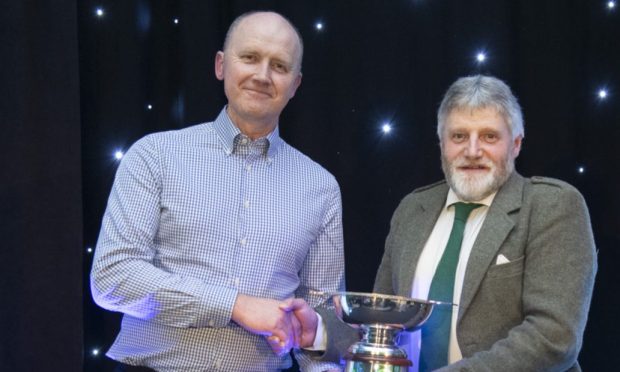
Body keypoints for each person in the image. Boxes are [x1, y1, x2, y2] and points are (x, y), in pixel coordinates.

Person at [90, 11, 344, 372]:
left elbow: (320, 321)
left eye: (280, 66)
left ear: (295, 84)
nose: (262, 75)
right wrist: (234, 305)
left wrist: (319, 335)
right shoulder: (155, 155)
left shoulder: (321, 187)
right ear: (221, 65)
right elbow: (112, 276)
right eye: (250, 58)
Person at [297, 75, 597, 371]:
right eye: (459, 136)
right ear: (442, 143)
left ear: (516, 144)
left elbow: (554, 337)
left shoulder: (552, 206)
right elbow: (381, 325)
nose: (472, 150)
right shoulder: (413, 209)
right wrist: (317, 331)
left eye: (489, 136)